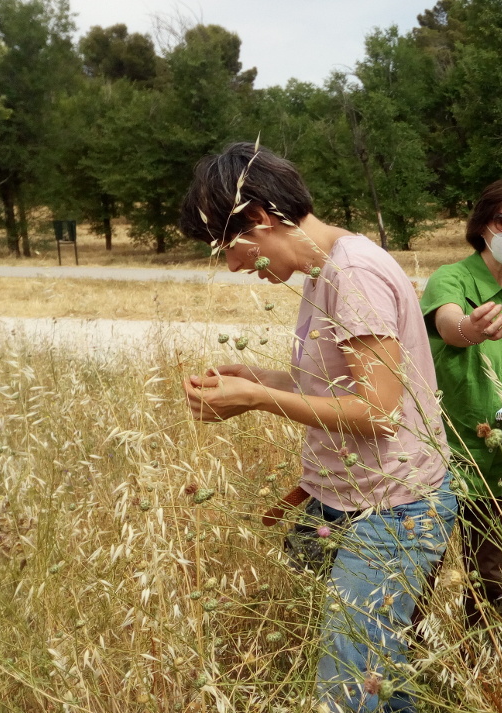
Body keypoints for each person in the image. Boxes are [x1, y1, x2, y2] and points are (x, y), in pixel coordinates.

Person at [177, 142, 455, 713]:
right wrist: (259, 377)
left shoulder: (352, 274)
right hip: (354, 502)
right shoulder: (325, 268)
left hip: (392, 510)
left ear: (259, 217)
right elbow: (340, 383)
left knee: (347, 688)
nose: (232, 266)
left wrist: (260, 398)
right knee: (377, 676)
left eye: (227, 248)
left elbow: (378, 412)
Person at [418, 178, 502, 627]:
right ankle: (408, 663)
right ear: (483, 224)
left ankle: (485, 662)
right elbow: (451, 326)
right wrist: (473, 329)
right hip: (445, 460)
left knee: (495, 584)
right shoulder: (451, 278)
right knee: (418, 576)